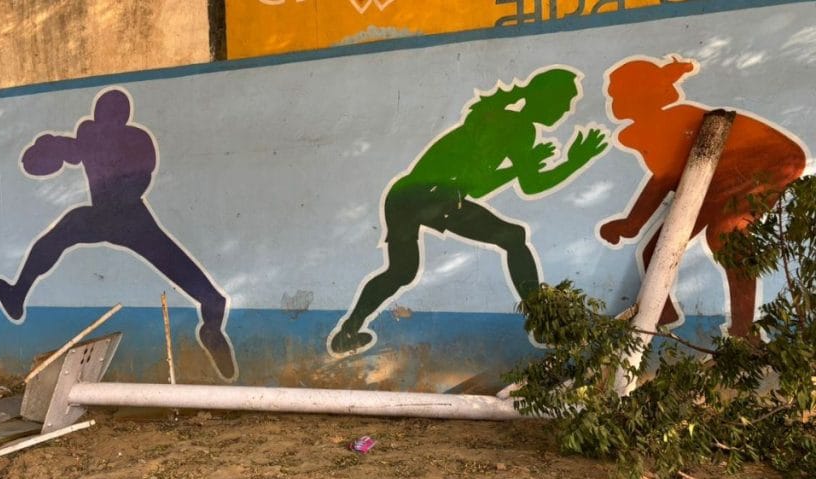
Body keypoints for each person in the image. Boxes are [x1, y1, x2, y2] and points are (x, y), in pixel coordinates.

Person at [329, 67, 608, 355]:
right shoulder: (517, 127)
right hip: (428, 197)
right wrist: (575, 160)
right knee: (511, 237)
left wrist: (517, 168)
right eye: (564, 102)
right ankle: (541, 322)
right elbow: (531, 186)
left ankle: (347, 332)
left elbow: (476, 185)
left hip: (411, 196)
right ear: (544, 98)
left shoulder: (510, 123)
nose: (566, 110)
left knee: (402, 271)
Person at [0, 89, 237, 380]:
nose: (105, 119)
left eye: (109, 114)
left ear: (121, 118)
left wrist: (63, 154)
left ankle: (212, 320)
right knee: (58, 236)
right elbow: (55, 155)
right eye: (103, 114)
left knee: (180, 269)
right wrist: (48, 149)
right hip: (117, 217)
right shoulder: (93, 135)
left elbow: (138, 179)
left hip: (127, 217)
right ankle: (17, 292)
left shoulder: (128, 138)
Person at [599, 56, 807, 337]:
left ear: (641, 95)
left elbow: (661, 182)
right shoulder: (649, 127)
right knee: (657, 249)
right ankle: (661, 311)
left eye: (616, 94)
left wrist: (631, 224)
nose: (611, 101)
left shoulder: (668, 120)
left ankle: (745, 329)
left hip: (768, 162)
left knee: (725, 235)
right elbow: (671, 180)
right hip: (715, 177)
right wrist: (630, 224)